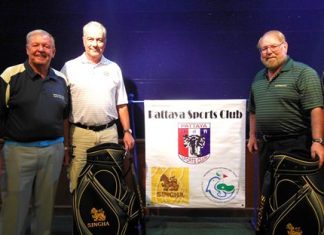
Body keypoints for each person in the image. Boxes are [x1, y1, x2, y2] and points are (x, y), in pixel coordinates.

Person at [247, 30, 324, 233]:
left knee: (291, 192)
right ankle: (268, 228)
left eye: (273, 46)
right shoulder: (258, 77)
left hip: (295, 144)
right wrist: (252, 136)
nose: (268, 51)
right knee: (267, 190)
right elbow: (253, 110)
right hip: (266, 145)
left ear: (285, 47)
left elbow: (316, 108)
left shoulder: (304, 73)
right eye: (264, 48)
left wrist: (318, 141)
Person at [0, 29, 69, 235]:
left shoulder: (62, 80)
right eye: (36, 45)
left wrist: (65, 147)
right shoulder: (10, 76)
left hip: (53, 151)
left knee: (45, 211)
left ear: (54, 52)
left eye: (46, 46)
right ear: (27, 49)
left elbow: (65, 117)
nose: (41, 50)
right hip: (17, 151)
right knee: (14, 209)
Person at [60, 21, 135, 194]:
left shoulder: (114, 68)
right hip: (80, 134)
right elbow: (62, 109)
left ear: (105, 42)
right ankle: (80, 221)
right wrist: (65, 143)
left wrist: (127, 131)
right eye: (91, 39)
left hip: (109, 133)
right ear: (83, 40)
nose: (95, 44)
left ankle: (109, 221)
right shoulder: (69, 68)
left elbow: (121, 104)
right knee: (78, 183)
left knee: (110, 182)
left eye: (100, 40)